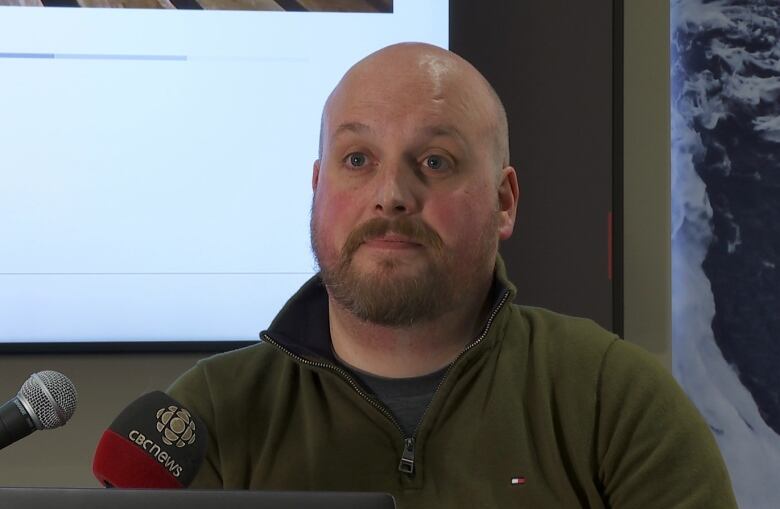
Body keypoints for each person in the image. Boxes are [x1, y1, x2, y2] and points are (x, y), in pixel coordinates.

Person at [167, 42, 737, 508]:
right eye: (358, 160)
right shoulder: (207, 413)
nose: (390, 196)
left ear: (504, 201)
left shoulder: (615, 400)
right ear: (318, 189)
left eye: (435, 161)